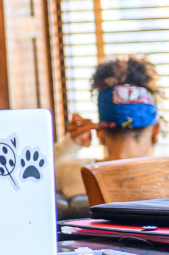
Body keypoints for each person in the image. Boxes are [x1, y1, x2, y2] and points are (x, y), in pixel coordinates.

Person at [55, 55, 163, 200]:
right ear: (155, 132)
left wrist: (71, 144)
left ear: (100, 133)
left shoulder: (74, 174)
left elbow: (42, 174)